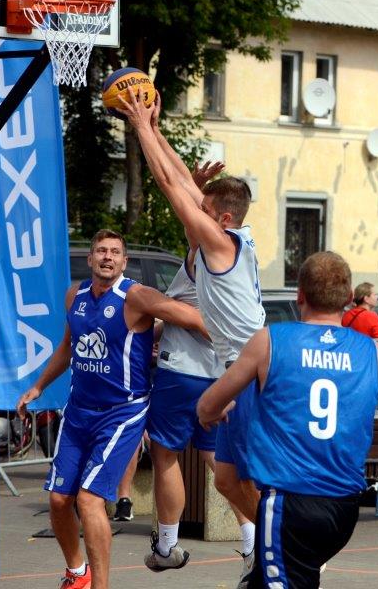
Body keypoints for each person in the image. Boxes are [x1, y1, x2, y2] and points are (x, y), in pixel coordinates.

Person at [197, 251, 378, 589]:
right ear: (349, 298)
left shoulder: (271, 341)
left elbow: (208, 405)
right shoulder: (373, 353)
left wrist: (212, 411)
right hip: (343, 508)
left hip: (289, 503)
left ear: (300, 295)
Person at [117, 91, 265, 587]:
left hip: (238, 372)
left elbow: (170, 185)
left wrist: (141, 126)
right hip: (238, 371)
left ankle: (277, 545)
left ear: (221, 219)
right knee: (224, 473)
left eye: (203, 208)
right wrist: (157, 131)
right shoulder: (237, 238)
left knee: (216, 468)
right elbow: (182, 183)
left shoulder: (217, 244)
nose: (194, 208)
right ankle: (262, 549)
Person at [16, 229, 208, 589]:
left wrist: (234, 359)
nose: (108, 257)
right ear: (90, 258)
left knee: (89, 500)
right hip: (78, 411)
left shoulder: (135, 296)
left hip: (122, 412)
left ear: (124, 262)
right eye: (101, 251)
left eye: (115, 252)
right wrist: (38, 385)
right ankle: (77, 573)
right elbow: (69, 345)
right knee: (58, 500)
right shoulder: (74, 296)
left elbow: (197, 319)